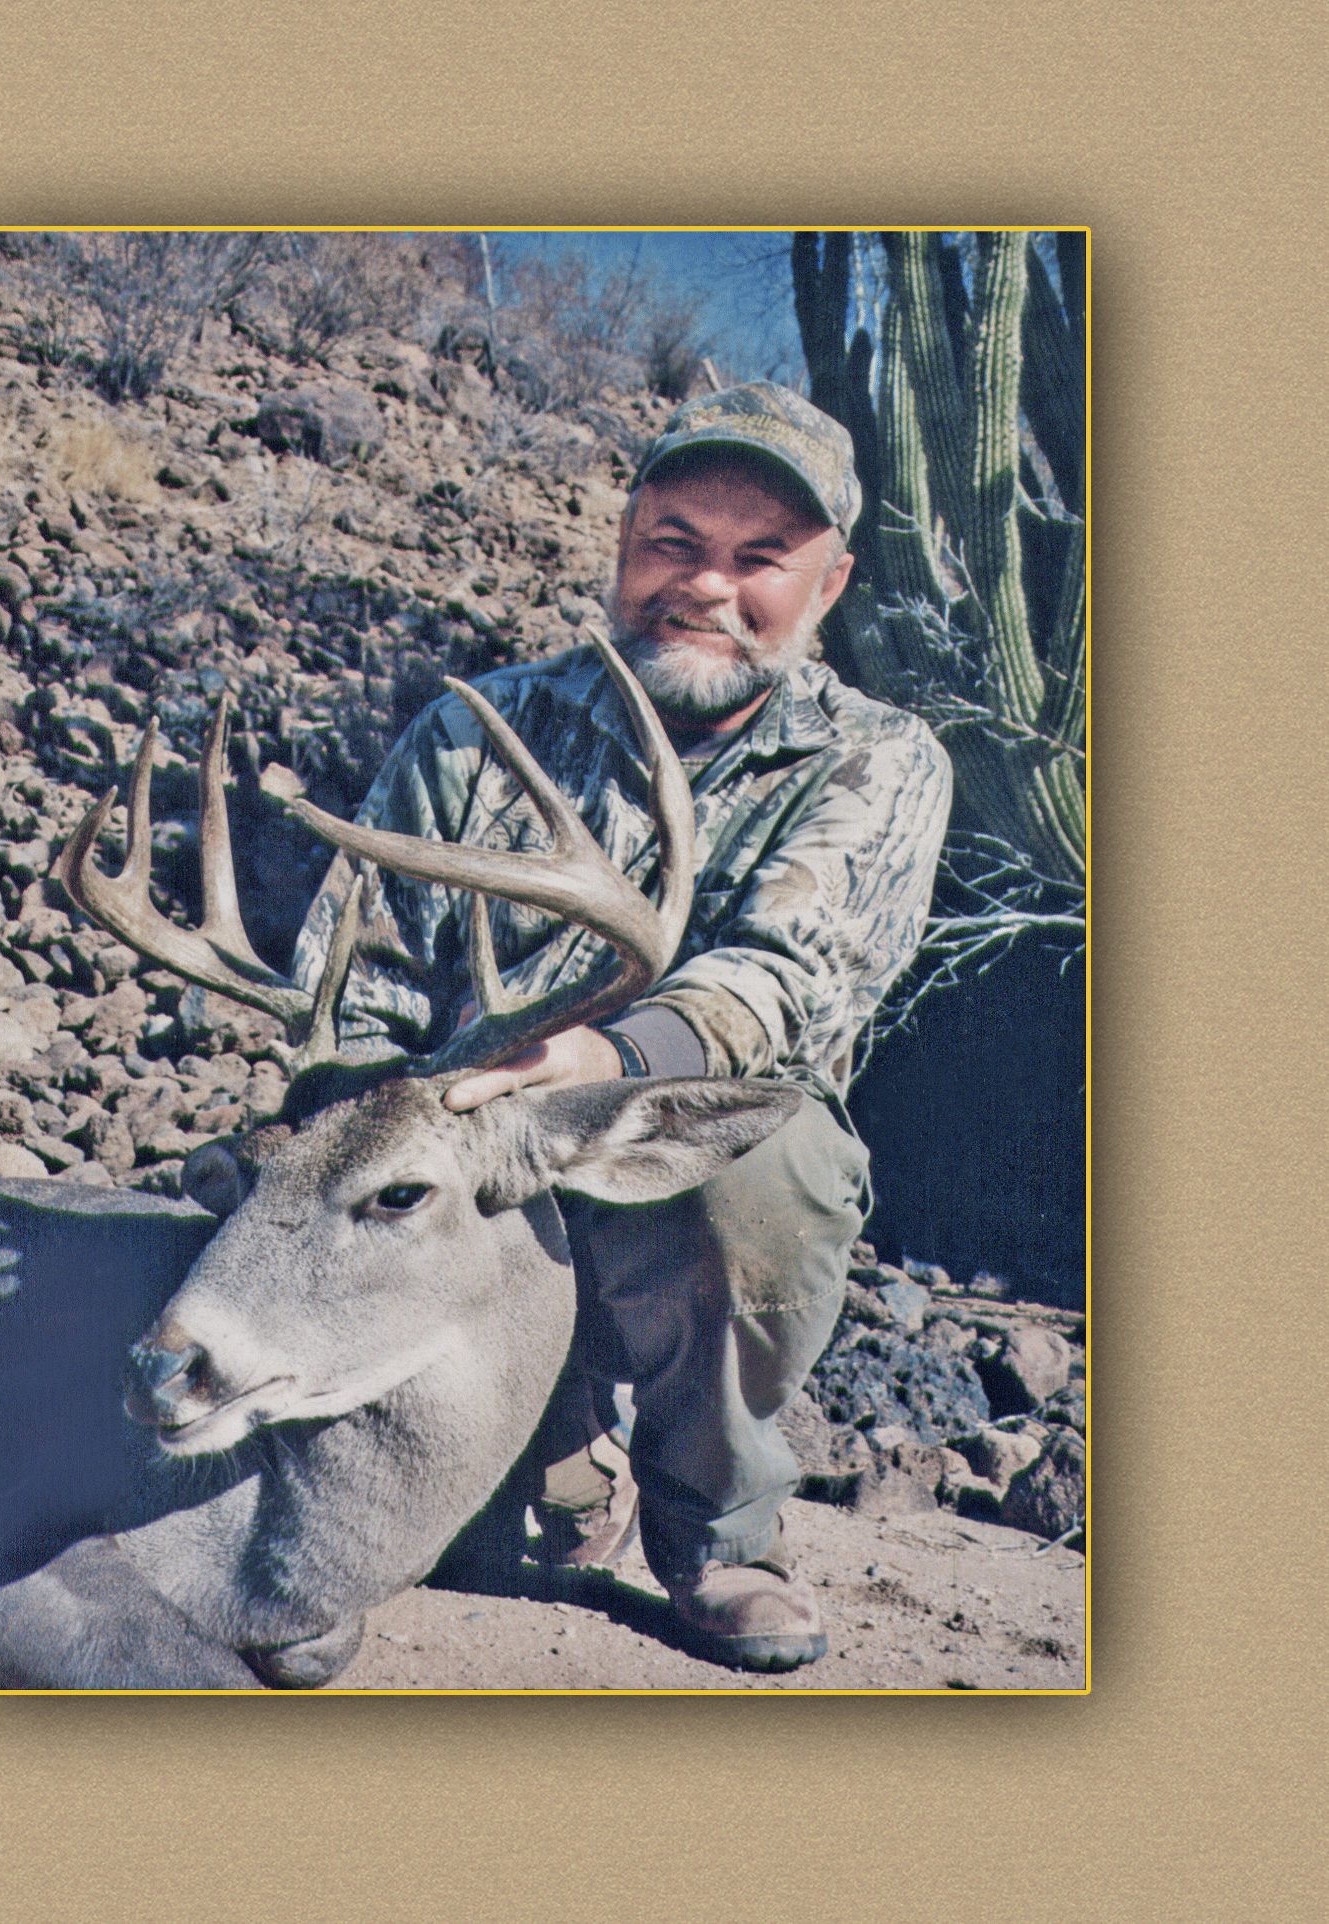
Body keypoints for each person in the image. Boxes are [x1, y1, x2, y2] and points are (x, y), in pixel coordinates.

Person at [290, 382, 953, 1670]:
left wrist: (599, 1063)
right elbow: (350, 986)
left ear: (830, 584)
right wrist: (371, 1115)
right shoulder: (476, 731)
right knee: (320, 1186)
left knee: (771, 1162)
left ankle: (718, 1537)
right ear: (621, 546)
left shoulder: (880, 758)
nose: (706, 587)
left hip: (661, 1135)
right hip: (462, 1160)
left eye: (760, 559)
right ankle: (372, 1505)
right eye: (673, 543)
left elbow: (787, 981)